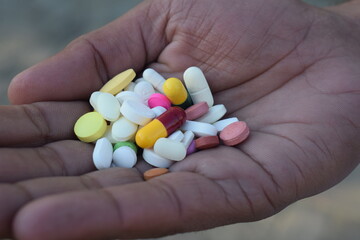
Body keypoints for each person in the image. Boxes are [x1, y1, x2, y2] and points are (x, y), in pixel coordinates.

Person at [1, 0, 359, 239]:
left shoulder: (179, 114)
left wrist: (347, 35)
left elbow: (174, 125)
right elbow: (148, 133)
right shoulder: (142, 115)